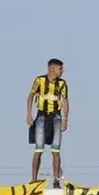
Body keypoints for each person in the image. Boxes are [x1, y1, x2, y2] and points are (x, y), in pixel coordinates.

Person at [26, 58, 69, 188]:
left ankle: (56, 180)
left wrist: (65, 119)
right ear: (52, 69)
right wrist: (29, 114)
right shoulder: (40, 81)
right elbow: (31, 96)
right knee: (39, 149)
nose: (62, 71)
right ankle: (34, 179)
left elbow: (66, 101)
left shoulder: (62, 84)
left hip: (56, 117)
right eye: (60, 69)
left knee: (55, 150)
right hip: (41, 117)